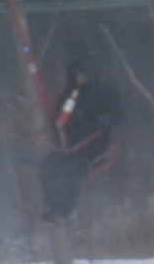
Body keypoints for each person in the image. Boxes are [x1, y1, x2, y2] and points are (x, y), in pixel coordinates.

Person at [38, 61, 123, 220]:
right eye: (77, 74)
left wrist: (97, 122)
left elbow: (114, 116)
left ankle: (65, 210)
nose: (79, 78)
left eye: (82, 74)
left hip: (90, 146)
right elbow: (63, 114)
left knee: (71, 171)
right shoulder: (73, 92)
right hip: (68, 144)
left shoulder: (104, 92)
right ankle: (51, 204)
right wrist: (61, 125)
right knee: (46, 168)